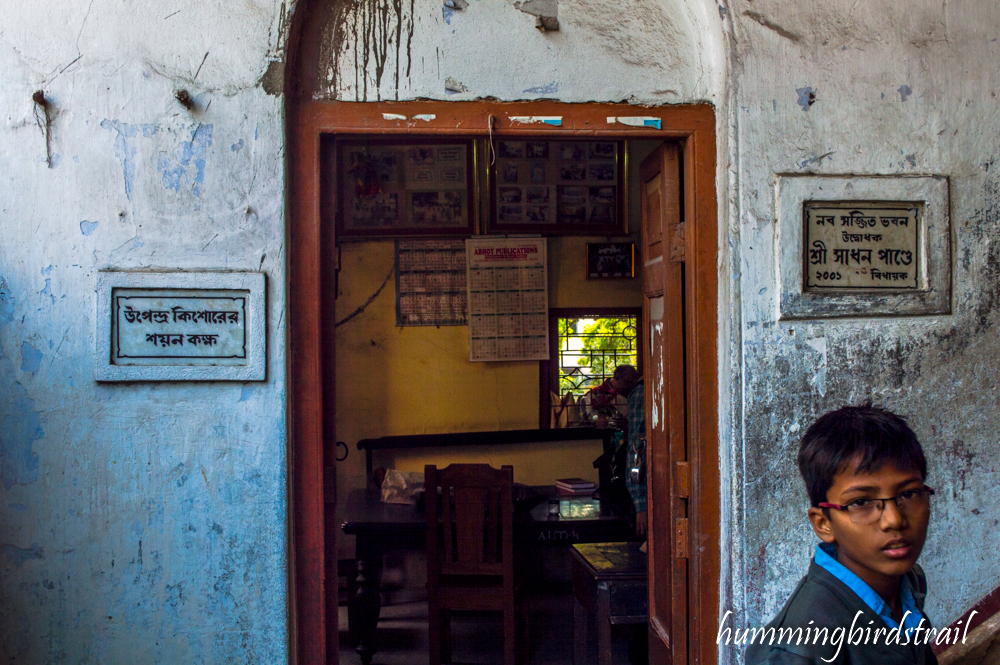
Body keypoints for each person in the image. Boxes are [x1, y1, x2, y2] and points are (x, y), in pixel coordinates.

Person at [744, 404, 937, 664]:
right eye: (860, 503)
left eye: (909, 493)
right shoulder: (798, 651)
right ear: (824, 523)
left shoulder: (908, 582)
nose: (894, 520)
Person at [610, 365, 646, 537]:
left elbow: (636, 449)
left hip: (642, 491)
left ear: (627, 378)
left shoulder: (639, 394)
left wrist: (640, 507)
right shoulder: (637, 394)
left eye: (617, 378)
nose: (614, 382)